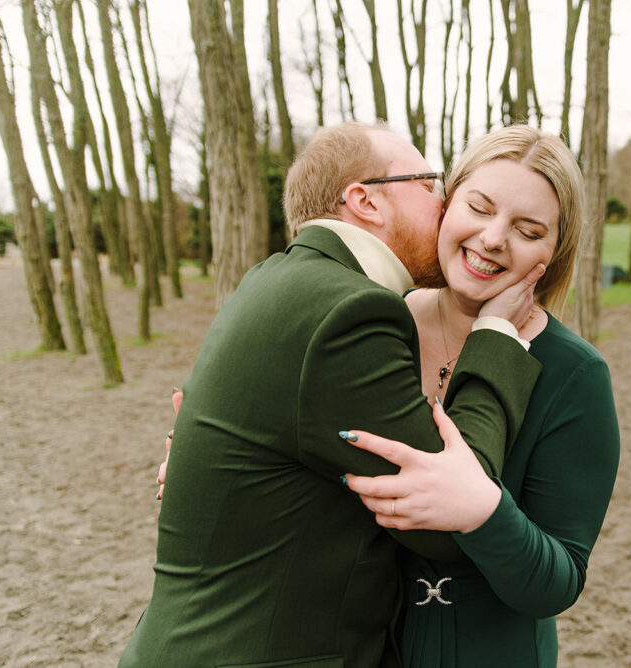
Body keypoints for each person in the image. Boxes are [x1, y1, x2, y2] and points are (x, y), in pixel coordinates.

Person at [119, 123, 546, 668]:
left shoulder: (275, 278)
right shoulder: (347, 311)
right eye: (430, 184)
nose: (445, 205)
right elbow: (448, 509)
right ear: (365, 200)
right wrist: (496, 340)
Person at [343, 126, 620, 667]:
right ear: (446, 204)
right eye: (479, 206)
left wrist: (485, 513)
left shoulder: (574, 374)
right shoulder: (373, 322)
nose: (494, 238)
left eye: (527, 228)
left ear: (553, 250)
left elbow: (557, 581)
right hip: (352, 647)